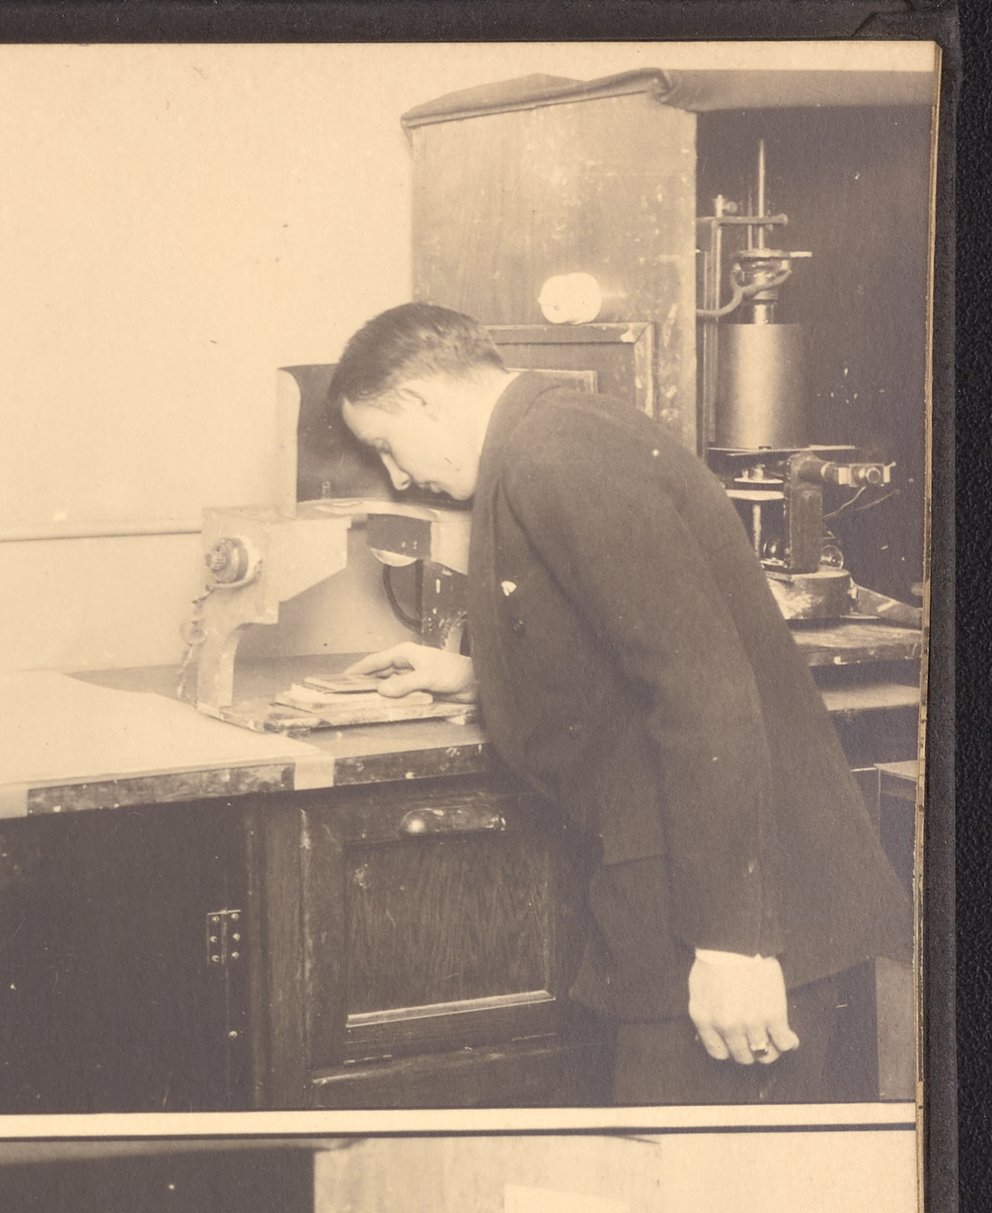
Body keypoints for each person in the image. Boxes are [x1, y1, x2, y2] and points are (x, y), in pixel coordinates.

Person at [326, 302, 910, 1106]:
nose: (396, 475)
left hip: (739, 927)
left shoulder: (554, 455)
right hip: (702, 900)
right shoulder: (555, 433)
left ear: (423, 399)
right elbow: (628, 655)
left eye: (387, 445)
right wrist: (480, 677)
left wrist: (732, 947)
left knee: (690, 1179)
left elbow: (705, 691)